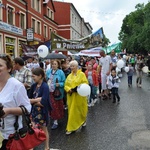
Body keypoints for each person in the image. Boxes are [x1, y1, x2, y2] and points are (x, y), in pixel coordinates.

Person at [0, 54, 31, 149]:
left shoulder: (17, 86)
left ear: (9, 68)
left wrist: (8, 110)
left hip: (10, 136)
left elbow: (27, 108)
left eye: (0, 65)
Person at [29, 68, 52, 150]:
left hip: (42, 112)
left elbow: (43, 102)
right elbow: (28, 98)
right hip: (34, 111)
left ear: (40, 76)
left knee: (44, 129)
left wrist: (33, 101)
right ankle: (32, 146)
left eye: (34, 76)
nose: (32, 78)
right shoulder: (33, 86)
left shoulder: (45, 86)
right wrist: (37, 100)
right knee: (33, 129)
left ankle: (46, 147)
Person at [64, 60, 88, 135]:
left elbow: (85, 83)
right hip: (71, 97)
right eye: (70, 66)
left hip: (80, 96)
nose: (71, 68)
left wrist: (78, 88)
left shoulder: (82, 74)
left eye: (73, 66)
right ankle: (71, 127)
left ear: (77, 67)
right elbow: (66, 85)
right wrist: (69, 89)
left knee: (81, 110)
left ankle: (83, 120)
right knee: (72, 112)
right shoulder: (69, 76)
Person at [46, 60, 66, 130]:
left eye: (55, 64)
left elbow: (64, 82)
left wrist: (59, 84)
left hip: (56, 92)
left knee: (55, 106)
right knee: (50, 106)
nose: (53, 65)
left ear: (58, 65)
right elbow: (46, 79)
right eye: (52, 64)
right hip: (49, 91)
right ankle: (52, 117)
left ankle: (55, 121)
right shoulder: (48, 71)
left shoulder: (61, 72)